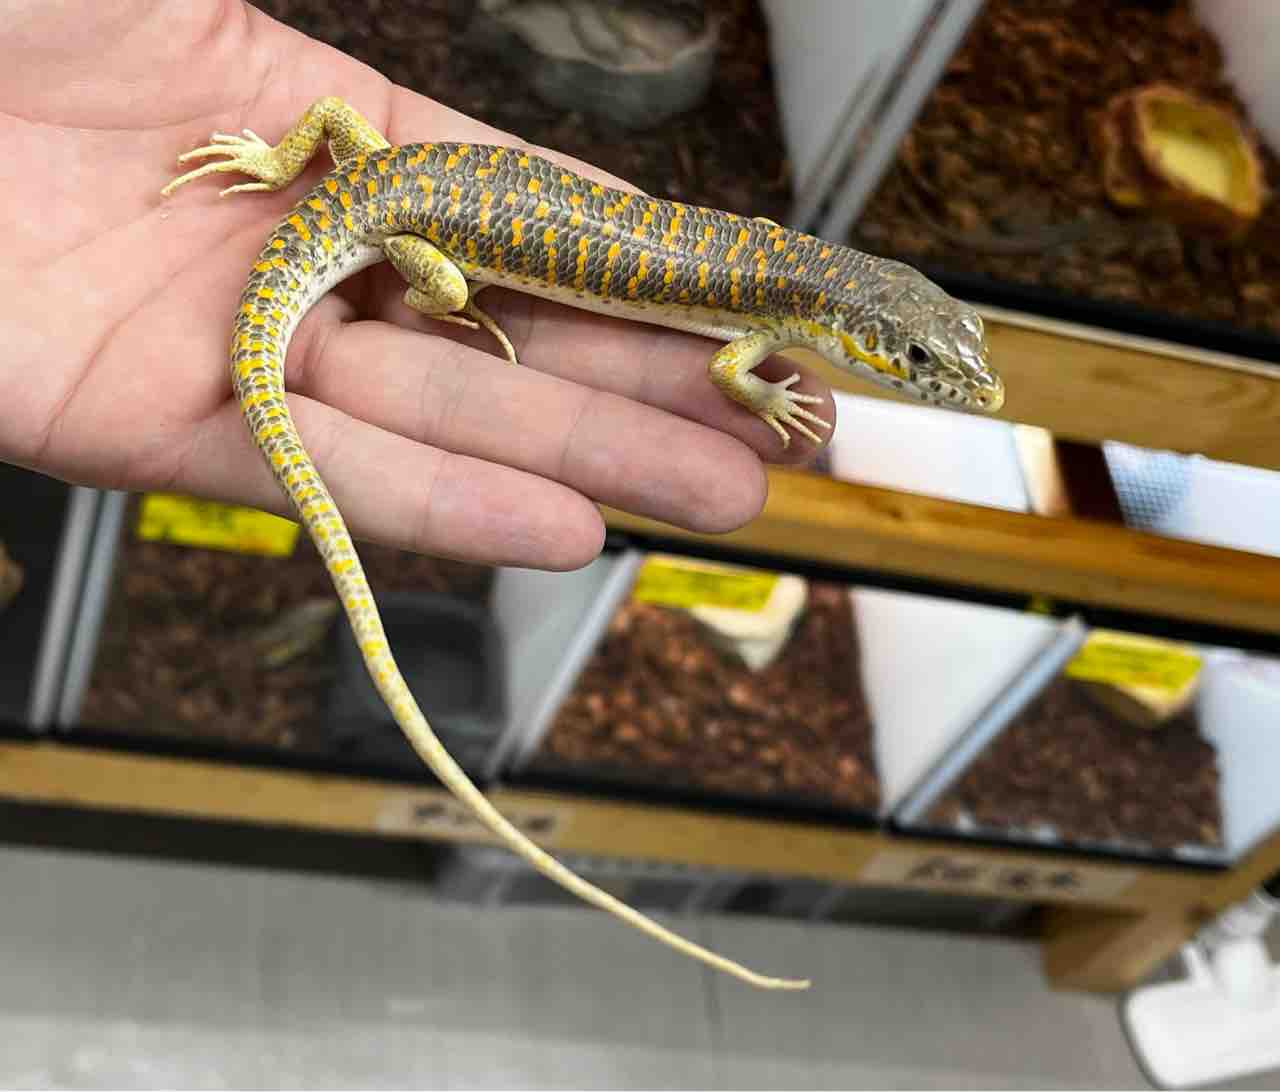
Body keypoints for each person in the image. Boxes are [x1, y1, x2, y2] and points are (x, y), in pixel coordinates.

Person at [0, 1, 830, 571]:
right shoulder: (764, 311)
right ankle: (436, 293)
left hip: (388, 177)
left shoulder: (774, 264)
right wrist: (445, 300)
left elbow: (332, 113)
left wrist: (278, 165)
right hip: (388, 225)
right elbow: (730, 369)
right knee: (448, 290)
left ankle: (323, 198)